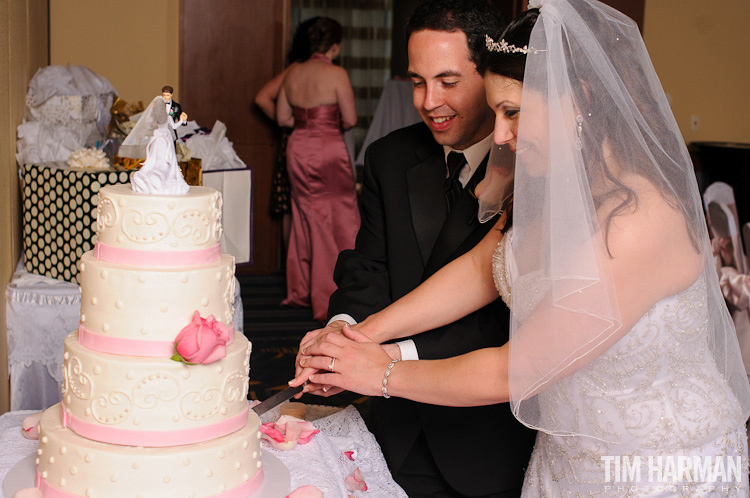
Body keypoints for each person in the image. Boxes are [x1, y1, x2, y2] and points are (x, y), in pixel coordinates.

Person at [294, 0, 750, 496]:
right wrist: (359, 335)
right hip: (566, 452)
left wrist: (381, 373)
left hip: (651, 464)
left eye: (514, 113)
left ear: (579, 99)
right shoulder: (549, 184)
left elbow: (518, 369)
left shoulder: (638, 220)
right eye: (496, 112)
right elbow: (480, 270)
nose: (503, 136)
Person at [298, 2, 536, 497]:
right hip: (395, 431)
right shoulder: (389, 157)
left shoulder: (535, 169)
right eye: (417, 81)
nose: (429, 101)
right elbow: (375, 267)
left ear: (488, 76)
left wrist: (377, 361)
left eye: (448, 82)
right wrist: (343, 336)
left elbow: (510, 328)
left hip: (490, 438)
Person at [276, 16, 360, 323]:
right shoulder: (336, 73)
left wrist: (307, 122)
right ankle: (330, 295)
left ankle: (301, 289)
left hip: (298, 147)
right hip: (328, 149)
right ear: (335, 46)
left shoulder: (293, 72)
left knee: (304, 216)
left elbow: (283, 118)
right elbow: (349, 119)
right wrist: (324, 123)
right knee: (339, 215)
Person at [255, 18, 317, 254]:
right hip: (300, 141)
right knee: (293, 205)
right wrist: (291, 124)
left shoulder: (307, 69)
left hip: (305, 141)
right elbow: (262, 97)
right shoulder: (298, 68)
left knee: (297, 205)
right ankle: (295, 270)